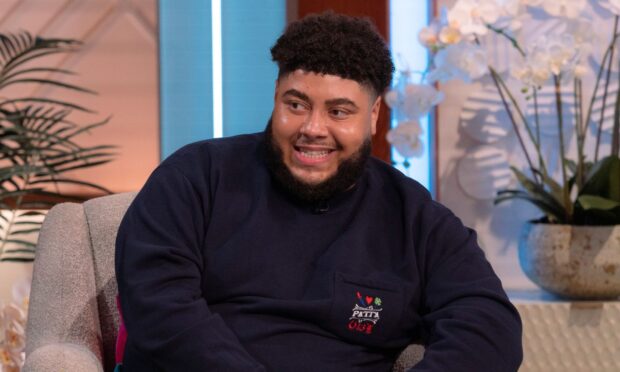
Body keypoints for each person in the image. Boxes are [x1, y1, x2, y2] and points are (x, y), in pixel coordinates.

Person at [115, 12, 523, 372]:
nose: (312, 128)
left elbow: (489, 324)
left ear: (375, 115)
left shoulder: (412, 216)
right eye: (296, 105)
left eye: (339, 111)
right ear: (275, 97)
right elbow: (160, 305)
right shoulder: (196, 177)